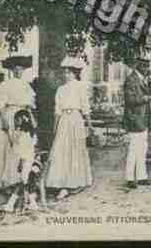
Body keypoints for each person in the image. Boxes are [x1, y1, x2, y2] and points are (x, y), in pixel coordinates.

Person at [46, 56, 93, 200]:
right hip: (64, 121)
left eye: (69, 72)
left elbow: (85, 107)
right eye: (65, 72)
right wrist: (55, 128)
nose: (66, 75)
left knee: (75, 149)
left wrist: (89, 124)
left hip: (76, 119)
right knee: (61, 150)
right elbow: (57, 110)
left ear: (75, 73)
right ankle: (61, 183)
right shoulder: (60, 89)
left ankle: (74, 182)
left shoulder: (80, 86)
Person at [0, 55, 36, 189]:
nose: (18, 71)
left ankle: (18, 179)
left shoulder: (26, 85)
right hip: (9, 115)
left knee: (21, 145)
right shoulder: (5, 85)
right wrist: (4, 120)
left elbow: (30, 104)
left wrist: (30, 118)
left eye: (21, 69)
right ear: (12, 70)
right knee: (7, 145)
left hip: (23, 116)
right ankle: (5, 180)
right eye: (16, 69)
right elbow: (0, 104)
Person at [123, 54, 151, 190]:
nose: (147, 68)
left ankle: (142, 176)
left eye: (148, 66)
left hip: (143, 118)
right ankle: (130, 178)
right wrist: (145, 98)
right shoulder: (131, 79)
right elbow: (129, 100)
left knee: (142, 149)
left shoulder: (142, 79)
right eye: (145, 66)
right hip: (135, 118)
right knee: (133, 150)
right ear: (138, 66)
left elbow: (150, 94)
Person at [0, 109, 39, 212]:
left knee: (21, 183)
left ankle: (10, 204)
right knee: (23, 183)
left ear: (22, 120)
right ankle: (32, 204)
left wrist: (21, 163)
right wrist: (8, 132)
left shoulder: (25, 134)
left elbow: (25, 151)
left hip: (26, 162)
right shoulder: (25, 132)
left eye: (16, 120)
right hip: (27, 161)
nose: (15, 122)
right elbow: (14, 144)